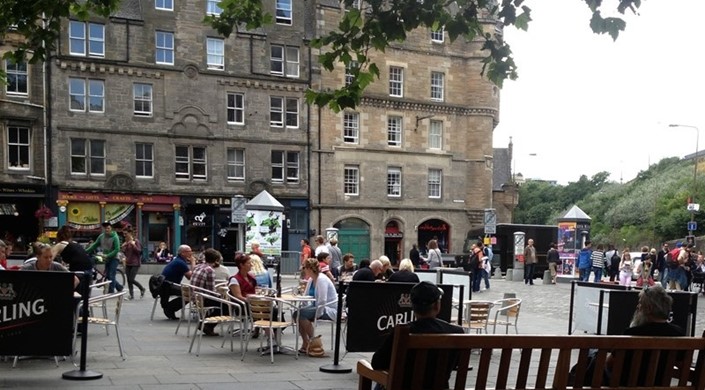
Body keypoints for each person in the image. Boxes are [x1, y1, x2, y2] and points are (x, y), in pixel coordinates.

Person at [371, 281, 464, 390]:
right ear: (437, 306)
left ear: (412, 306)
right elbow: (457, 362)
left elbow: (377, 363)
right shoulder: (456, 331)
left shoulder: (402, 332)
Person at [609, 286, 685, 386]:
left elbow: (610, 363)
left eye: (640, 303)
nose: (637, 307)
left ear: (648, 309)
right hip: (660, 386)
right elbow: (682, 365)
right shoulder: (678, 333)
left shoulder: (632, 333)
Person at [295, 258, 337, 353]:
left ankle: (313, 341)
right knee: (296, 314)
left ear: (309, 269)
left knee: (301, 314)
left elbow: (323, 300)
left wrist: (318, 314)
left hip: (328, 308)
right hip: (317, 306)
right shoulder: (311, 279)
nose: (303, 269)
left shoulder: (321, 279)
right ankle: (306, 342)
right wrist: (303, 306)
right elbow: (306, 296)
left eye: (304, 267)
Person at [160, 244, 196, 319]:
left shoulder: (178, 260)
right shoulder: (180, 263)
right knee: (190, 294)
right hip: (168, 286)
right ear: (182, 253)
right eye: (189, 251)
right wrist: (193, 263)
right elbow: (190, 277)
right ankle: (169, 308)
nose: (191, 253)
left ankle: (169, 307)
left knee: (189, 291)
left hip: (166, 284)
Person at [191, 248, 221, 336]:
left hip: (195, 297)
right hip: (203, 298)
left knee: (223, 303)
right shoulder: (209, 270)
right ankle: (207, 325)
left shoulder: (198, 266)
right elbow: (212, 291)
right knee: (227, 305)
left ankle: (207, 324)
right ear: (216, 260)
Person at [86, 222, 122, 293]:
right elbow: (94, 245)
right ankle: (119, 287)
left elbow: (117, 249)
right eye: (105, 228)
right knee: (108, 275)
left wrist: (108, 255)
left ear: (111, 228)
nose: (107, 230)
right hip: (107, 258)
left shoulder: (115, 237)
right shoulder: (101, 236)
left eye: (108, 228)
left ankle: (111, 292)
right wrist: (85, 252)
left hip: (114, 258)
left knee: (111, 275)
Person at [121, 230, 146, 300]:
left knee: (131, 279)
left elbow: (139, 252)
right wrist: (123, 248)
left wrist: (133, 245)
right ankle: (131, 295)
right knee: (129, 280)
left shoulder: (136, 241)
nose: (125, 235)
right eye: (124, 234)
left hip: (135, 263)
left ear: (130, 234)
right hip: (128, 263)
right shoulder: (126, 243)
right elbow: (126, 254)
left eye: (126, 233)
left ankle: (142, 288)